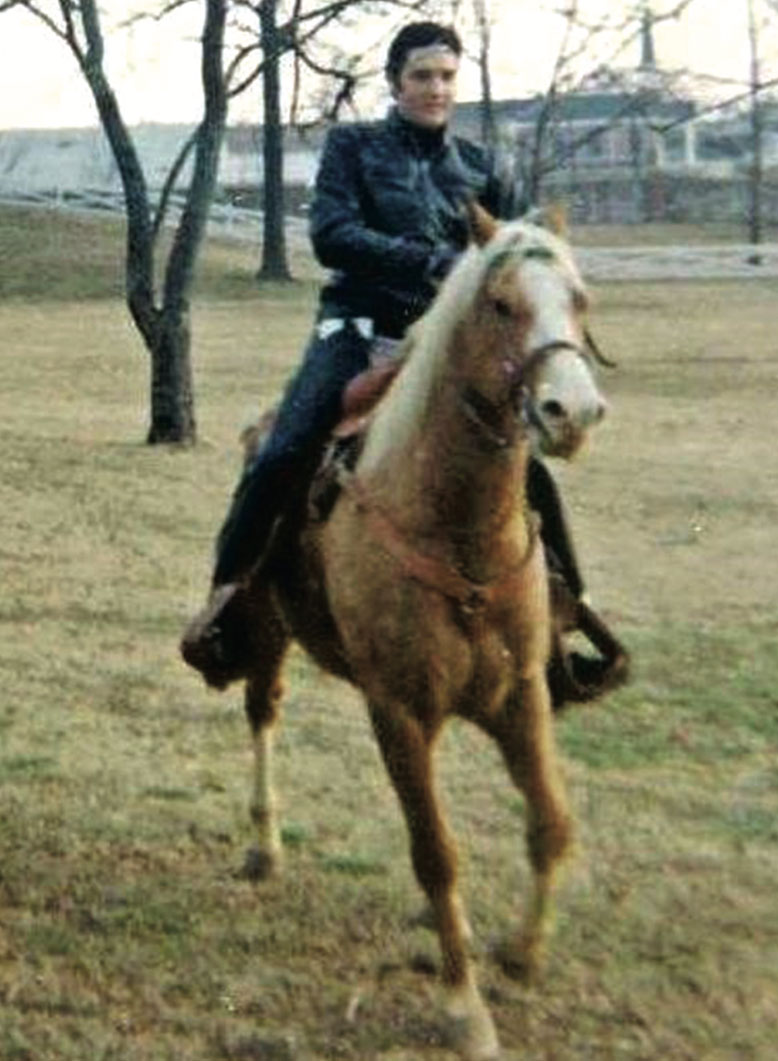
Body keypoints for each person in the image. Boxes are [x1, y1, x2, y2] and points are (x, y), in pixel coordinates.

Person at [181, 20, 625, 703]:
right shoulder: (353, 147)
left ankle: (565, 627)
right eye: (422, 76)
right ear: (395, 83)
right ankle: (228, 606)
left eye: (447, 76)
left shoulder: (481, 166)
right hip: (358, 331)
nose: (435, 88)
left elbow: (516, 247)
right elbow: (333, 235)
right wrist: (432, 261)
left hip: (443, 354)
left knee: (526, 469)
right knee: (284, 449)